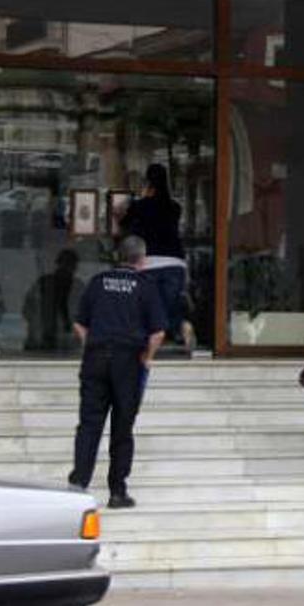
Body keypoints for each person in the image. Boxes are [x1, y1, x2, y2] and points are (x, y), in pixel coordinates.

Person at [68, 235, 166, 509]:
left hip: (96, 359)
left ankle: (78, 485)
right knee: (122, 428)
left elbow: (79, 324)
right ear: (142, 259)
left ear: (118, 256)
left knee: (89, 425)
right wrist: (147, 358)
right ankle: (117, 492)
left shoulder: (98, 282)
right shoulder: (145, 286)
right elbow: (157, 333)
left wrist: (91, 345)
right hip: (128, 362)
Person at [121, 163, 193, 349]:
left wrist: (141, 197)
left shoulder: (139, 206)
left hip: (149, 261)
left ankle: (150, 344)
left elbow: (124, 224)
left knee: (149, 306)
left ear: (148, 182)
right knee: (171, 304)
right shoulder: (174, 207)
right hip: (175, 261)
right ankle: (180, 329)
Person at [23, 249, 84, 351]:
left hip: (69, 343)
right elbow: (27, 310)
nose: (67, 268)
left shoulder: (79, 288)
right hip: (40, 341)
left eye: (71, 264)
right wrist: (37, 328)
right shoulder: (43, 284)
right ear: (58, 264)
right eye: (65, 263)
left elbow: (85, 315)